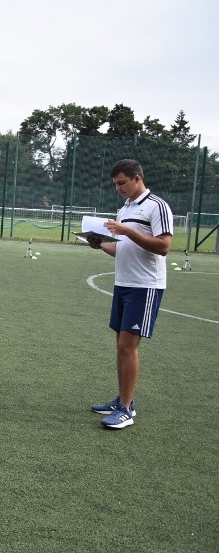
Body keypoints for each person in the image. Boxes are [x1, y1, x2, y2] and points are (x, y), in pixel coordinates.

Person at [86, 159, 173, 430]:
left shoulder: (157, 206)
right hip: (123, 283)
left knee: (128, 346)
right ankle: (123, 400)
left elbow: (163, 247)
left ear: (137, 178)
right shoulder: (125, 208)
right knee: (120, 345)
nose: (118, 188)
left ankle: (125, 409)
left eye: (122, 183)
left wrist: (127, 231)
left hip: (145, 286)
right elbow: (121, 249)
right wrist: (100, 245)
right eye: (115, 184)